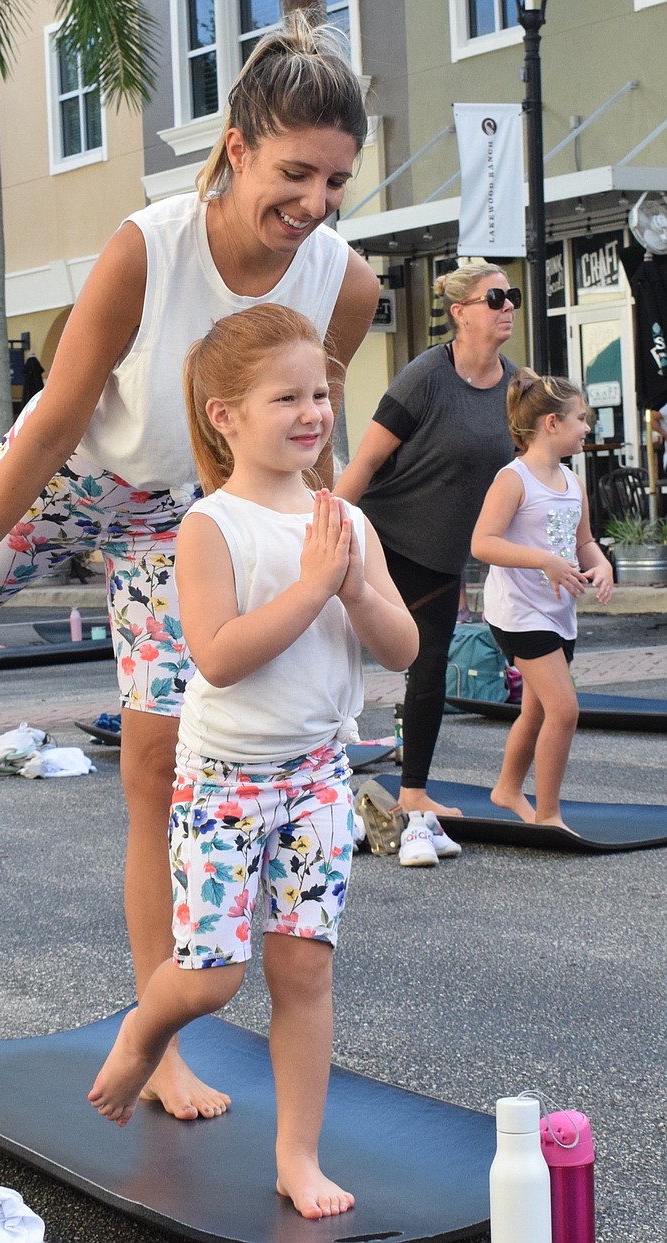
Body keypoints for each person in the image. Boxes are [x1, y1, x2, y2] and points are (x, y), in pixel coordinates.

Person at [0, 13, 379, 1121]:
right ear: (234, 147)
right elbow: (50, 419)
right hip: (70, 472)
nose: (314, 202)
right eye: (293, 172)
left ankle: (161, 1038)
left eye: (336, 180)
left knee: (160, 775)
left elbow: (292, 437)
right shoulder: (149, 245)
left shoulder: (344, 285)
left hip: (176, 517)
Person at [87, 304, 418, 1218]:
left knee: (305, 970)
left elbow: (401, 648)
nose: (313, 412)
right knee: (212, 976)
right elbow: (221, 653)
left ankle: (297, 1155)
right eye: (287, 397)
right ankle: (145, 1026)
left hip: (316, 774)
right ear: (225, 413)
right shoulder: (211, 527)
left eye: (320, 393)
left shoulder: (343, 520)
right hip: (225, 782)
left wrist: (351, 582)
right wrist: (315, 587)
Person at [335, 263, 518, 861]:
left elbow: (535, 470)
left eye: (511, 296)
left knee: (429, 663)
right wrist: (319, 535)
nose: (508, 305)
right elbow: (361, 466)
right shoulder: (425, 378)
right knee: (332, 654)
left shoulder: (521, 387)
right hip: (383, 537)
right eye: (495, 298)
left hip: (441, 555)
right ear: (460, 310)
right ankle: (313, 781)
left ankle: (413, 794)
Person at [471, 370, 614, 828]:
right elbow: (483, 543)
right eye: (580, 418)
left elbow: (585, 540)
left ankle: (507, 789)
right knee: (564, 708)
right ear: (551, 423)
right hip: (518, 612)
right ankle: (548, 814)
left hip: (557, 612)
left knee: (535, 710)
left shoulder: (571, 482)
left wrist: (602, 564)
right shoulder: (513, 479)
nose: (587, 427)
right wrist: (544, 561)